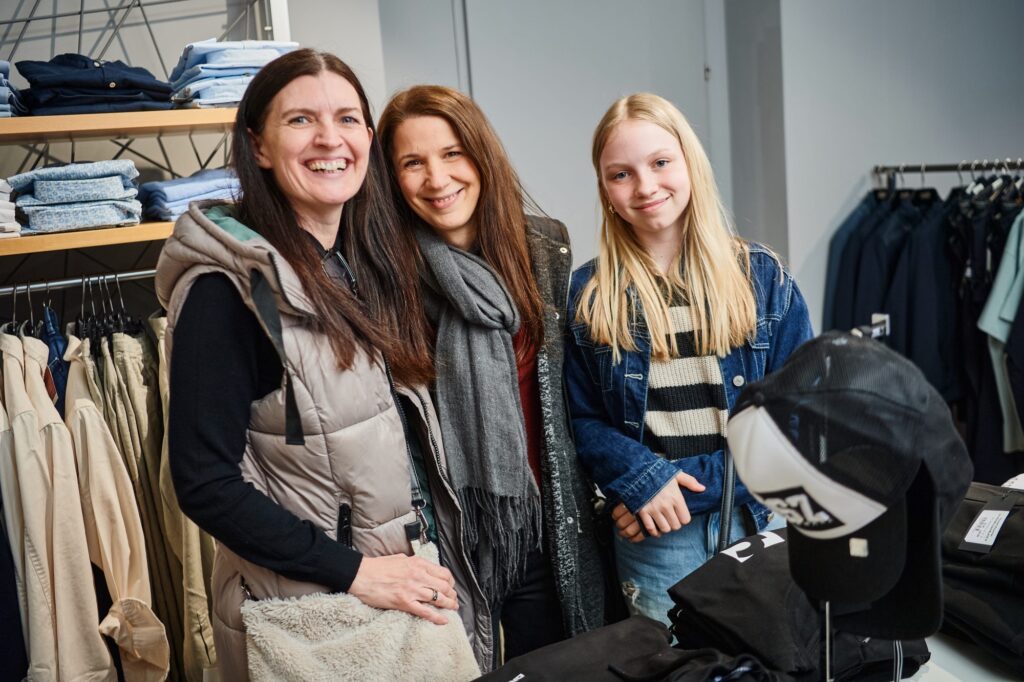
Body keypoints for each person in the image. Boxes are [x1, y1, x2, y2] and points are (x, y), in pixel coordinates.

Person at [155, 50, 489, 678]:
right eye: (301, 120)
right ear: (258, 146)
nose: (330, 139)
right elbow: (203, 482)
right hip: (315, 619)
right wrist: (357, 572)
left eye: (347, 118)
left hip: (387, 597)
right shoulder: (228, 290)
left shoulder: (354, 264)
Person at [564, 93, 814, 625]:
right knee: (670, 661)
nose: (645, 186)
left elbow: (796, 423)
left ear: (690, 163)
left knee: (778, 657)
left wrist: (659, 487)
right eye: (621, 174)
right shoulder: (589, 294)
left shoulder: (763, 278)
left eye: (660, 162)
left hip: (760, 520)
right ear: (605, 190)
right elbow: (582, 420)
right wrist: (638, 479)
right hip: (657, 544)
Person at [378, 85, 606, 664]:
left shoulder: (544, 250)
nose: (437, 178)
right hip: (444, 543)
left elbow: (578, 398)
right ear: (392, 178)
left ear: (481, 155)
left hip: (544, 528)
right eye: (412, 162)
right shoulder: (382, 277)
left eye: (452, 153)